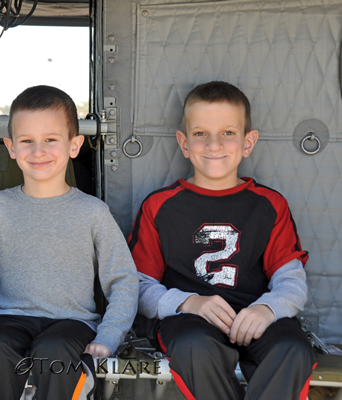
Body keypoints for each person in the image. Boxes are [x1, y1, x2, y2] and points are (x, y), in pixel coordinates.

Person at [128, 81, 317, 400]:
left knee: (292, 348)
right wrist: (188, 302)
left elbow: (292, 281)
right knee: (193, 346)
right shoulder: (160, 206)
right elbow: (139, 286)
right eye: (200, 133)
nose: (214, 144)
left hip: (255, 316)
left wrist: (267, 309)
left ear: (248, 142)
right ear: (184, 143)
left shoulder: (269, 205)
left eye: (228, 132)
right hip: (190, 321)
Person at [0, 85, 139, 400]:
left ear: (74, 145)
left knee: (56, 353)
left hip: (72, 323)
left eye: (51, 140)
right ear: (11, 147)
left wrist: (109, 335)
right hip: (7, 320)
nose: (38, 151)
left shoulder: (93, 212)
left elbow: (123, 279)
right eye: (27, 141)